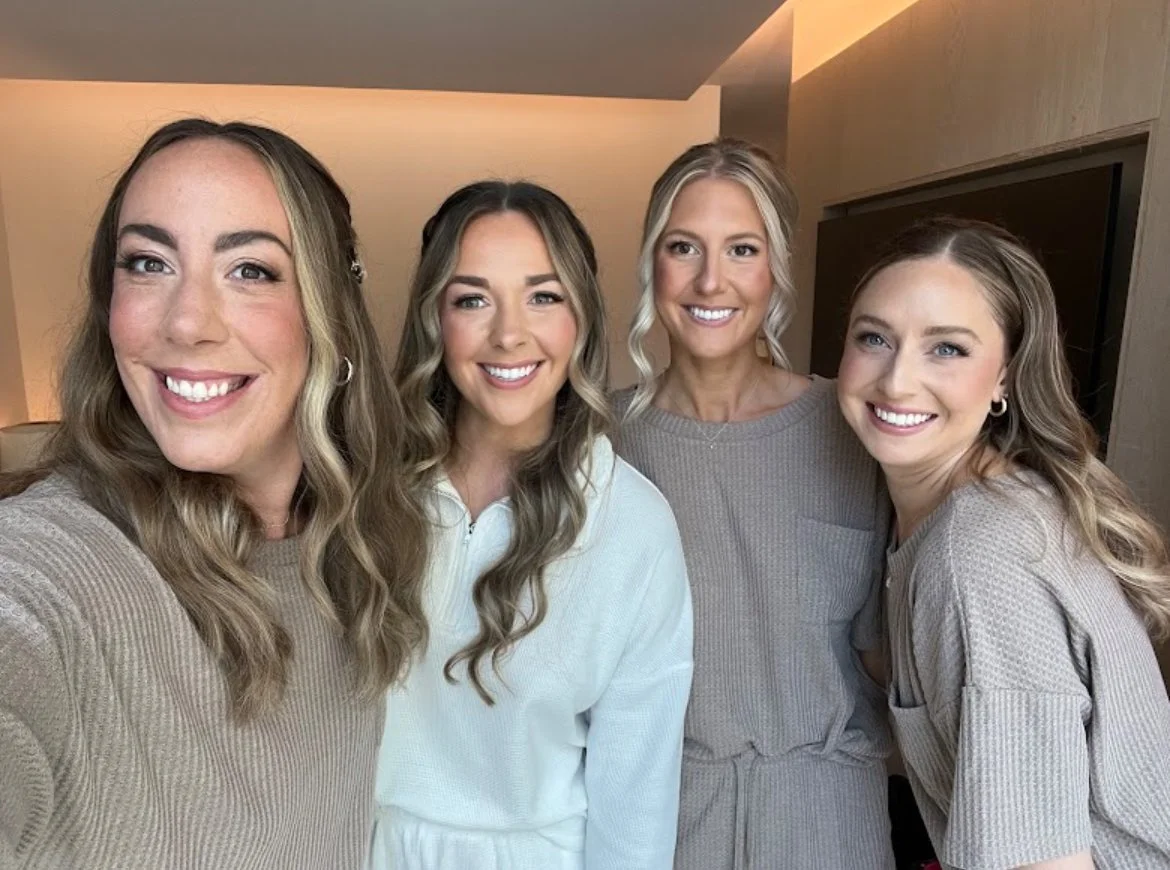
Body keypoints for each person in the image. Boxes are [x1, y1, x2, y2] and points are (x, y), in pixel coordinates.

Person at [0, 119, 428, 867]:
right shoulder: (59, 567)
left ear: (331, 316)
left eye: (251, 271)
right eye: (147, 262)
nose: (187, 322)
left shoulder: (359, 551)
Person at [369, 180, 693, 870]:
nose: (509, 333)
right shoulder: (367, 492)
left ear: (581, 319)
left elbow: (636, 791)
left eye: (543, 296)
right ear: (435, 318)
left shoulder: (632, 523)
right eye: (472, 299)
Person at [837, 216, 1170, 868]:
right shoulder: (956, 510)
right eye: (874, 338)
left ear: (1004, 379)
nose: (897, 380)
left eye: (948, 348)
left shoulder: (980, 555)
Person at [614, 138, 893, 869]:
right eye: (684, 248)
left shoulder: (855, 426)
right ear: (652, 264)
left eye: (742, 249)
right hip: (654, 819)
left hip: (829, 820)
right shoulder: (596, 441)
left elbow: (890, 659)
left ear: (775, 270)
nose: (712, 281)